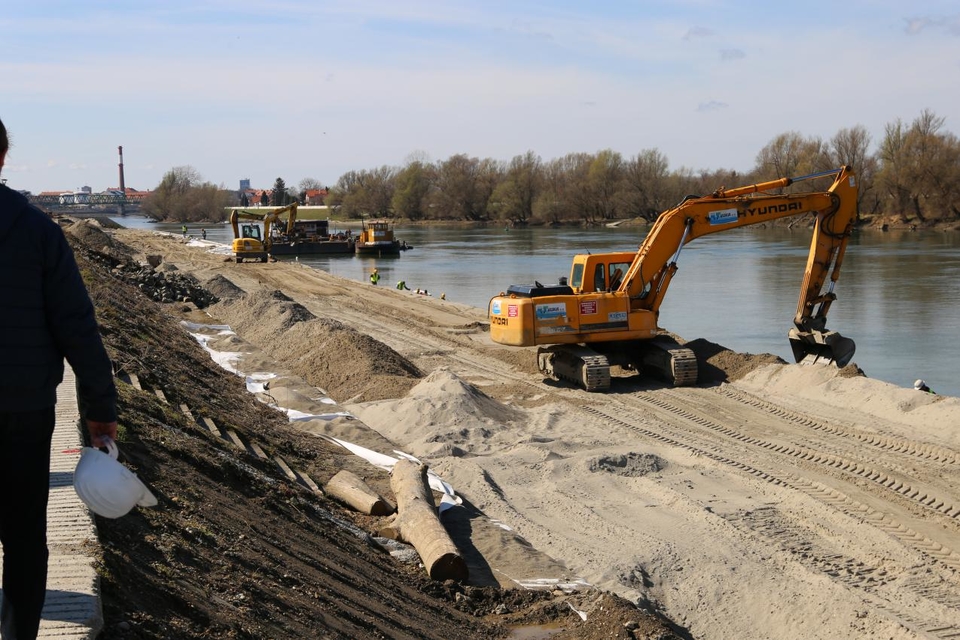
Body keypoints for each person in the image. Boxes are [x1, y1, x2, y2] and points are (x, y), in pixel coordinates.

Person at [0, 117, 118, 640]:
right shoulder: (39, 234)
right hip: (22, 409)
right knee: (24, 534)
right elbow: (77, 328)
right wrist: (100, 413)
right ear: (3, 158)